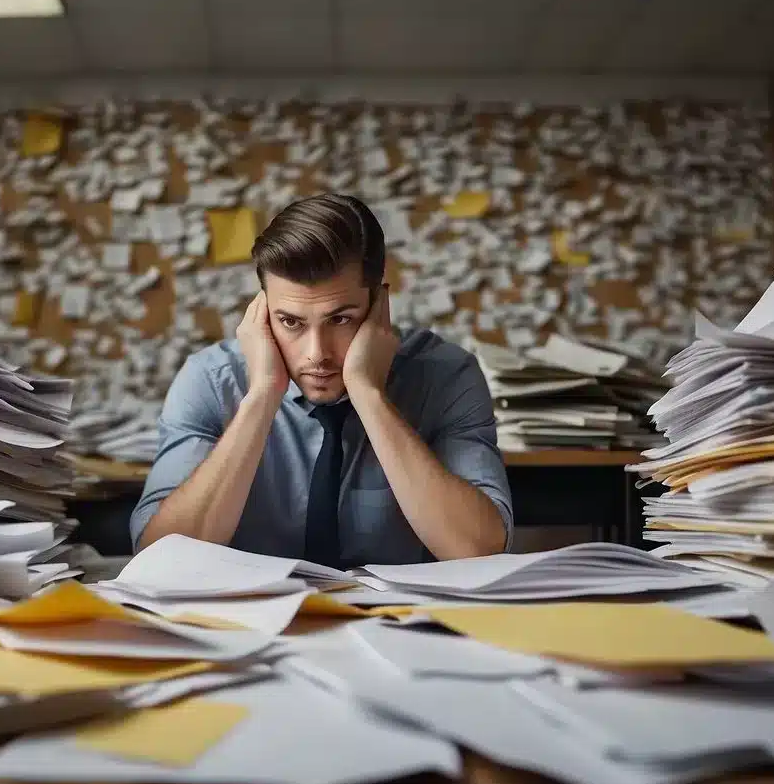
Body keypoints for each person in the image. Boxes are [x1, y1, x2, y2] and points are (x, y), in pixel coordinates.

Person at [130, 193, 513, 567]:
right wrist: (263, 396)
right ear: (262, 310)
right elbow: (158, 559)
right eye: (290, 322)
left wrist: (368, 394)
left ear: (379, 307)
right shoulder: (211, 381)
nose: (317, 353)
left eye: (341, 319)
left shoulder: (446, 376)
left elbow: (479, 552)